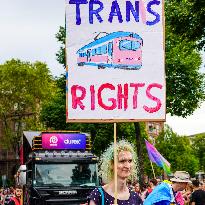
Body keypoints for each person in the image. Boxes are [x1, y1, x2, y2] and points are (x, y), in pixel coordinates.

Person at [89, 140, 142, 205]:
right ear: (111, 164)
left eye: (130, 161)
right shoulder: (98, 195)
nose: (128, 166)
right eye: (122, 161)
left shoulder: (136, 198)